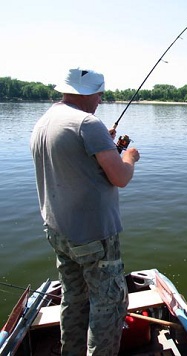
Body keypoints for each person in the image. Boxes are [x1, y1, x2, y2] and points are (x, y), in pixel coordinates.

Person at [30, 68, 140, 355]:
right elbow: (120, 177)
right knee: (109, 305)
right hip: (94, 236)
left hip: (58, 232)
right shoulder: (87, 124)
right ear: (88, 93)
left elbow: (73, 157)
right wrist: (128, 157)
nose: (101, 100)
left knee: (74, 298)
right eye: (100, 94)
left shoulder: (44, 122)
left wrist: (104, 140)